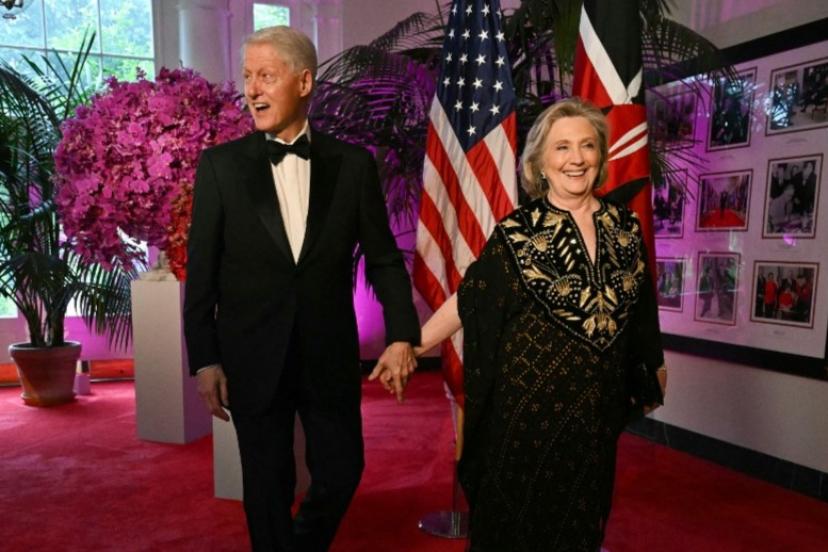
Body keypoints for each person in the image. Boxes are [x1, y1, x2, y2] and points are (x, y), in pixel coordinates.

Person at [183, 26, 420, 552]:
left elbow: (384, 259)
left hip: (327, 353)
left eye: (266, 76)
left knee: (342, 471)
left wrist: (402, 334)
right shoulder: (220, 167)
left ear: (304, 82)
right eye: (248, 76)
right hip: (251, 354)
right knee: (267, 486)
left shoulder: (352, 165)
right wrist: (205, 360)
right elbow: (201, 274)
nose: (252, 89)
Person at [409, 98, 667, 550]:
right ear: (540, 163)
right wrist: (410, 346)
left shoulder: (625, 227)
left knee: (579, 529)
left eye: (587, 145)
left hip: (592, 418)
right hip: (525, 419)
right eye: (562, 147)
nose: (576, 158)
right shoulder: (518, 232)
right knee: (515, 532)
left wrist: (653, 365)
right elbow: (469, 301)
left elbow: (641, 309)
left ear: (601, 156)